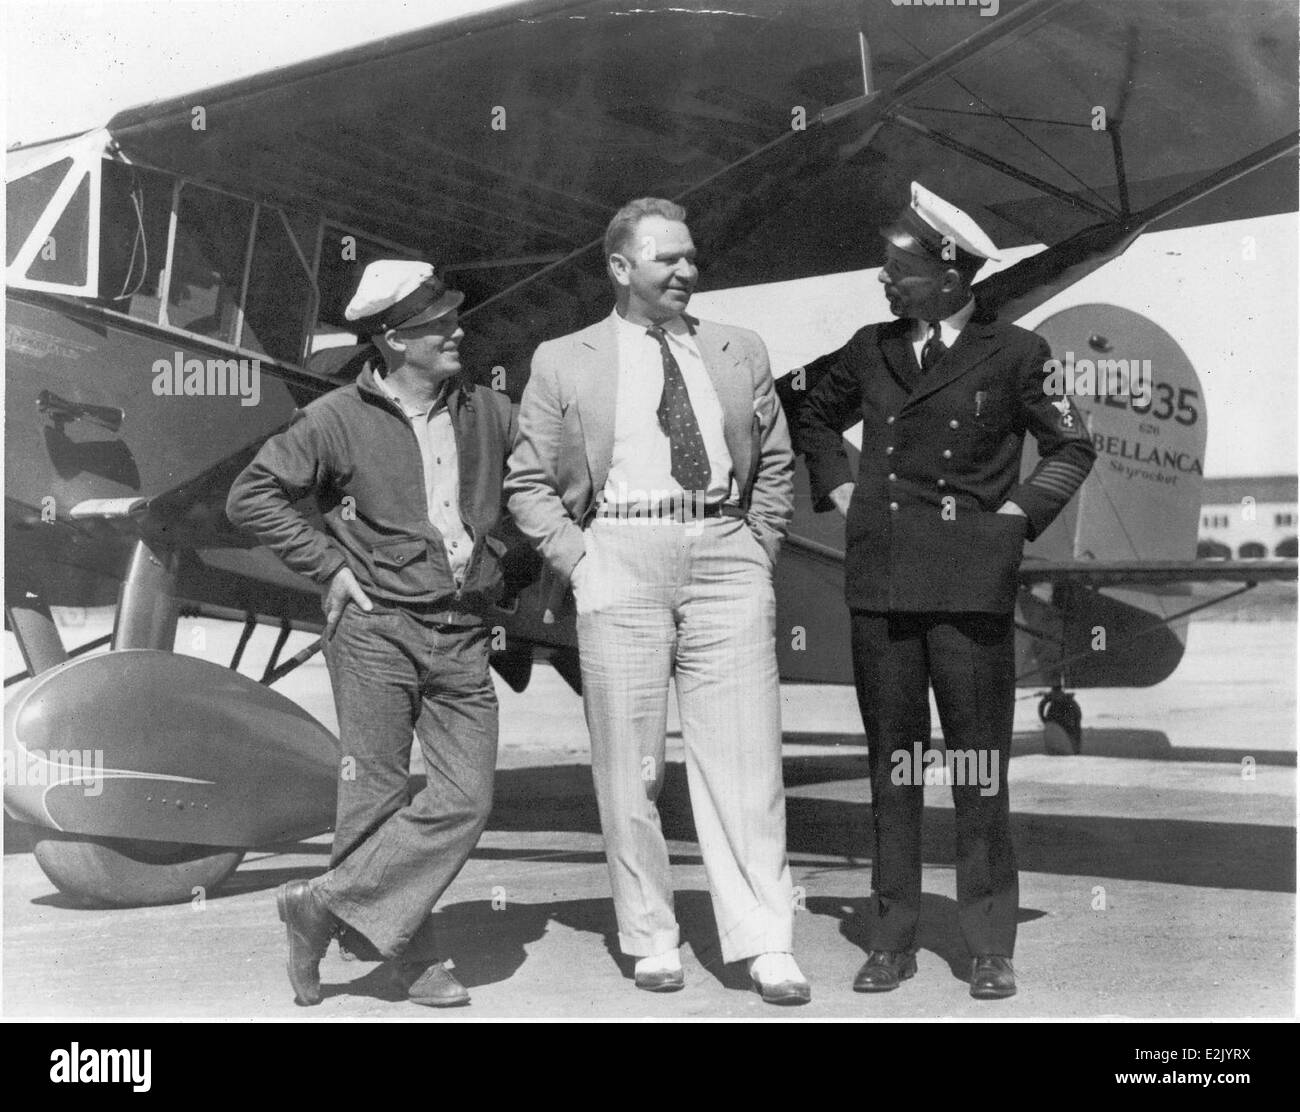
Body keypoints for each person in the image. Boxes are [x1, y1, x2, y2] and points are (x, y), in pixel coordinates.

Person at [792, 183, 1096, 1000]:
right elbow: (811, 417)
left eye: (899, 267)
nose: (884, 281)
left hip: (969, 585)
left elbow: (1071, 446)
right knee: (894, 766)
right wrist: (842, 490)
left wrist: (1014, 520)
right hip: (884, 584)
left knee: (976, 767)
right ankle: (890, 938)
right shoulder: (870, 348)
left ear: (951, 272)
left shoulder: (1017, 352)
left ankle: (988, 943)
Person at [505, 197, 808, 1004]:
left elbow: (775, 462)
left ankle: (765, 939)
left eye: (691, 257)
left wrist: (757, 546)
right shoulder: (562, 359)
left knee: (747, 765)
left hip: (724, 554)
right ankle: (650, 935)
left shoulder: (739, 350)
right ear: (619, 268)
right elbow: (527, 485)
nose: (686, 271)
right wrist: (582, 565)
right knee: (630, 767)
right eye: (667, 259)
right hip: (619, 557)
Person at [226, 260, 515, 1008]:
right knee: (375, 795)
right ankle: (411, 960)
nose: (457, 330)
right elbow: (252, 495)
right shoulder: (334, 418)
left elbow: (536, 486)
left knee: (466, 799)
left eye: (453, 317)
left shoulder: (487, 409)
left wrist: (503, 577)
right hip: (375, 630)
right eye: (436, 324)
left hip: (464, 632)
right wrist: (327, 564)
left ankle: (317, 905)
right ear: (391, 340)